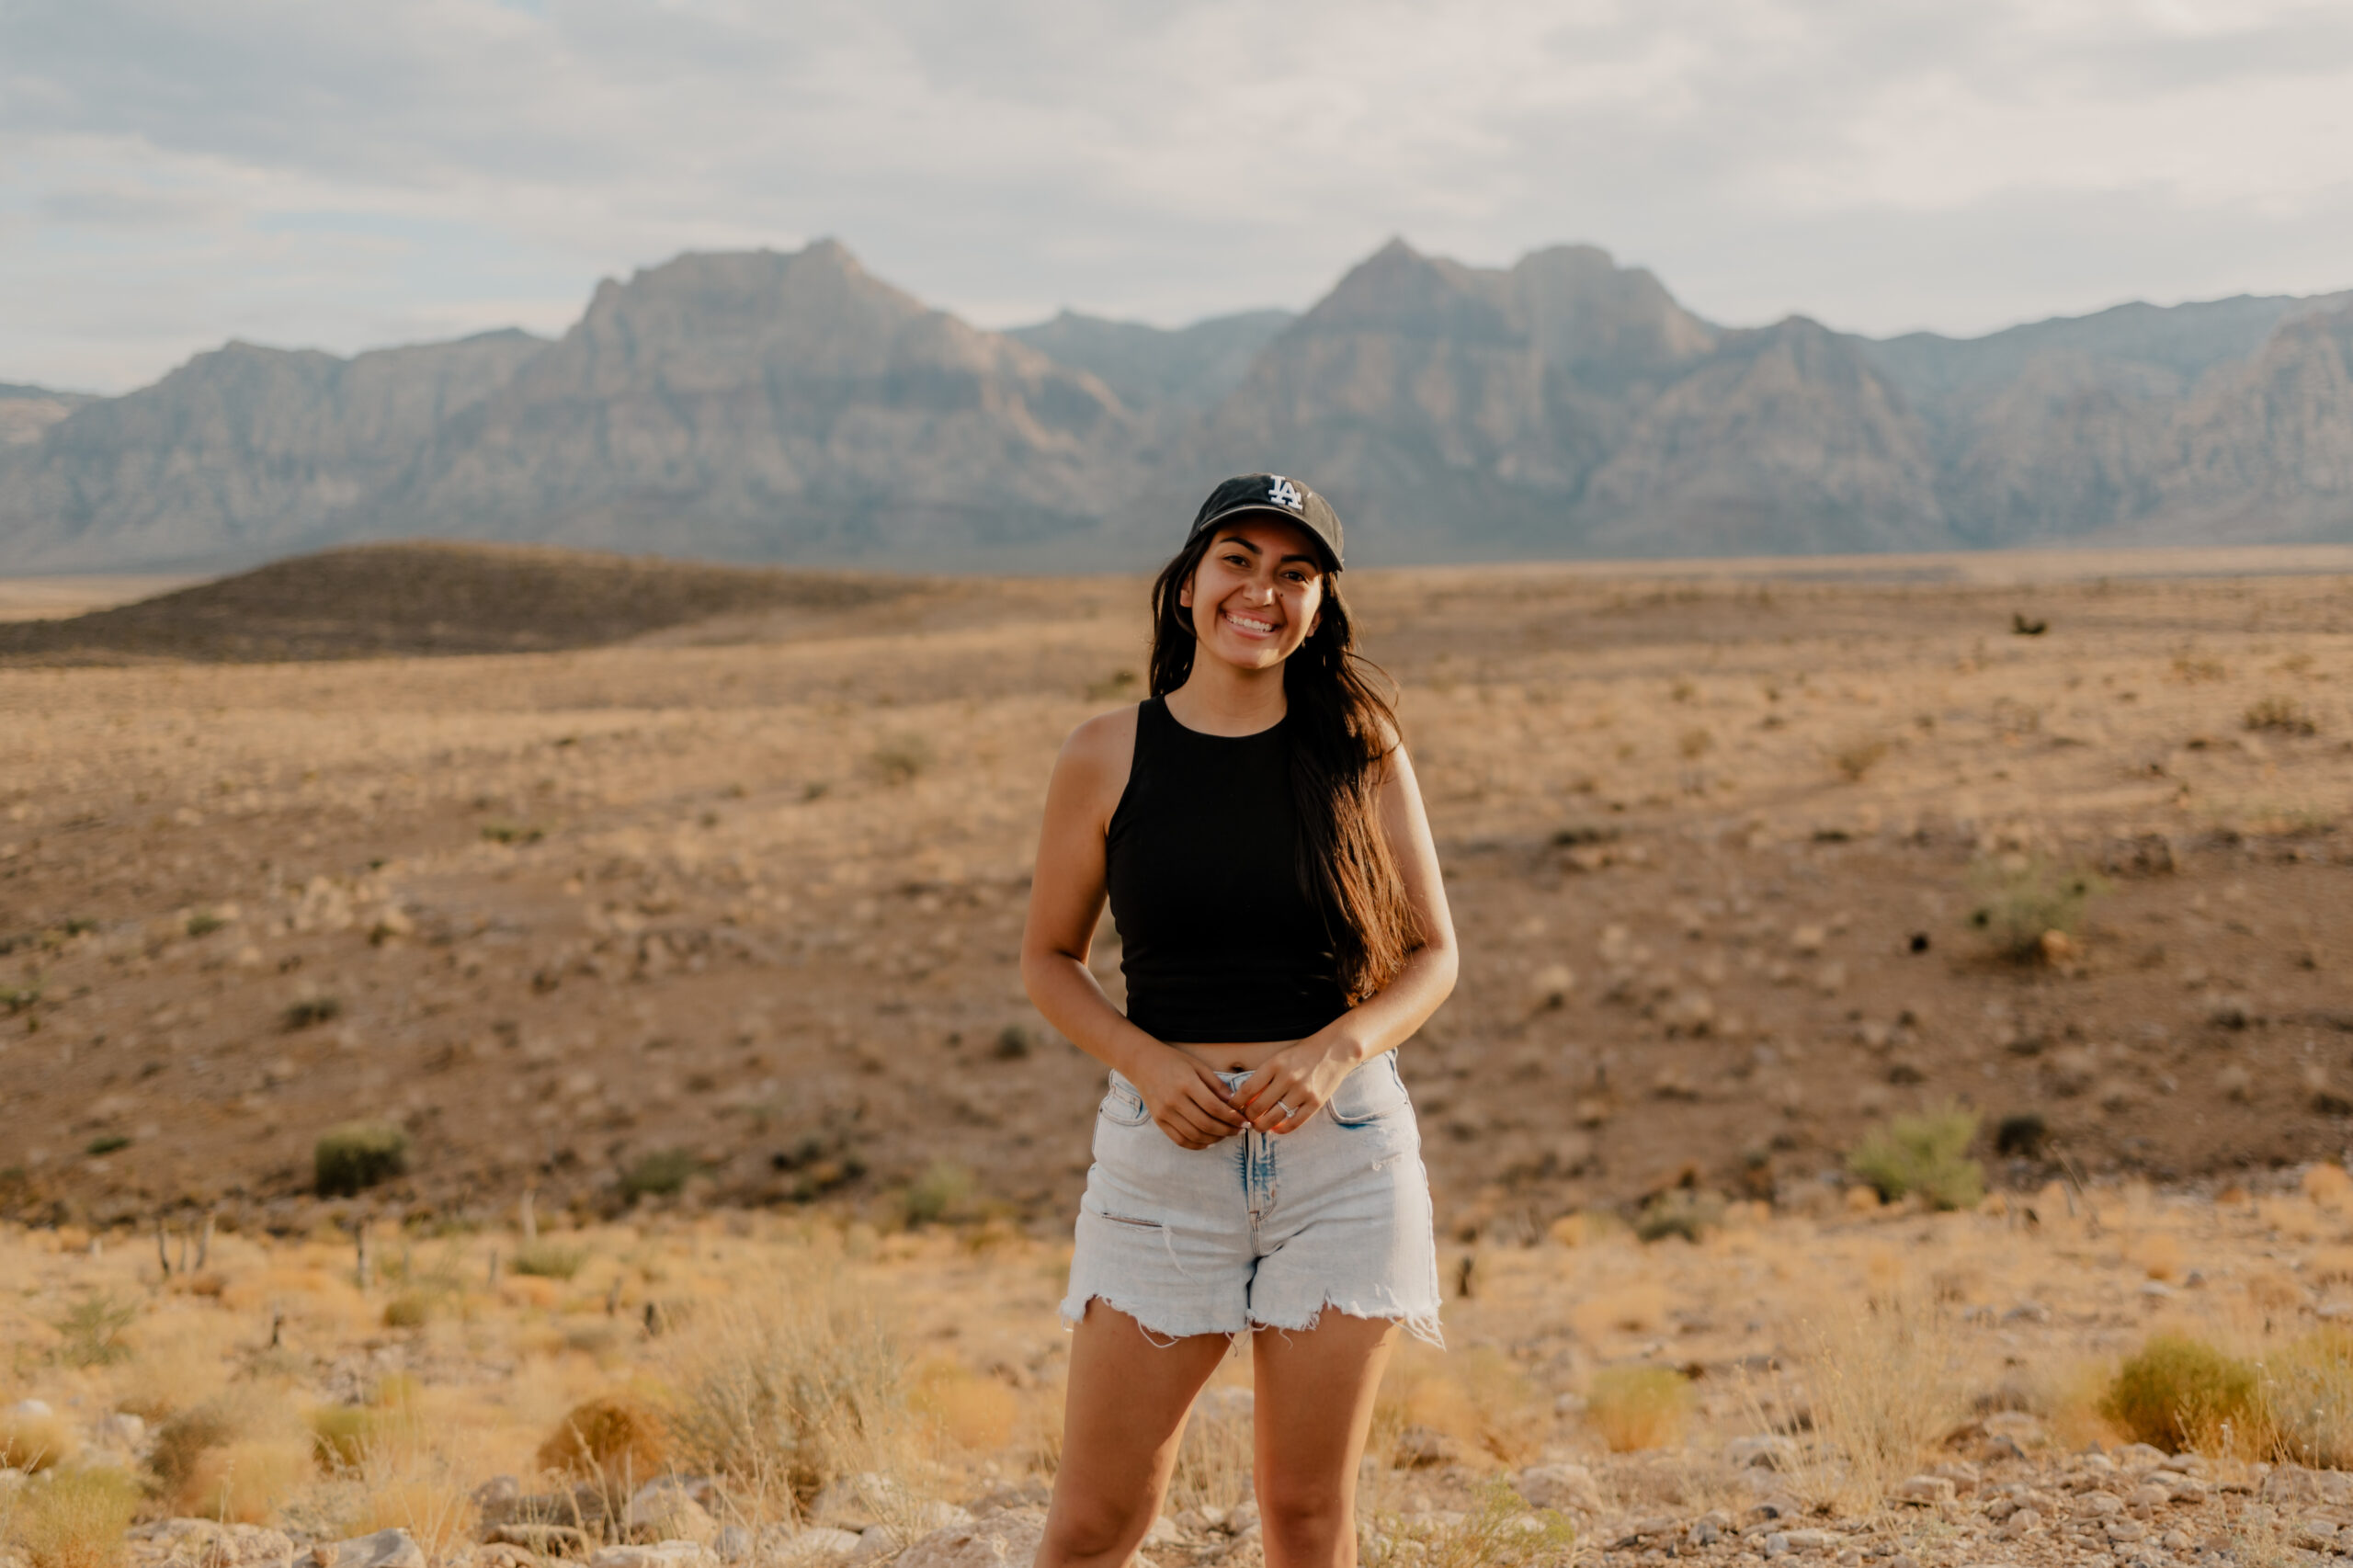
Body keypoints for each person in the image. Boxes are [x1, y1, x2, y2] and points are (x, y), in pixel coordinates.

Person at [1020, 473, 1459, 1568]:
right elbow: (1048, 958)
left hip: (1342, 1160)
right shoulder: (1104, 752)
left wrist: (1336, 1049)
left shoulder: (1360, 750)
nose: (1262, 590)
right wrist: (1141, 1060)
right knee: (1094, 1519)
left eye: (1294, 572)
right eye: (1239, 561)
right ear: (1186, 586)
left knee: (1305, 1516)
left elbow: (1432, 954)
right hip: (1159, 1166)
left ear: (1318, 607)